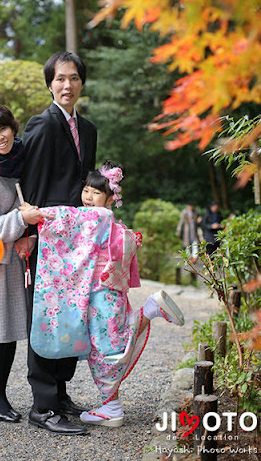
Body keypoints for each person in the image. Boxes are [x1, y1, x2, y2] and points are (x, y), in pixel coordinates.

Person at [30, 161, 185, 428]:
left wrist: (37, 213)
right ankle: (110, 404)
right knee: (110, 342)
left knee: (105, 348)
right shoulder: (107, 219)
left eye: (96, 193)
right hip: (110, 291)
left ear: (111, 198)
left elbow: (69, 216)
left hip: (102, 293)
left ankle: (112, 406)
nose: (89, 198)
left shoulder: (100, 216)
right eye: (87, 191)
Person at [19, 51, 97, 435]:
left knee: (72, 314)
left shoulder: (89, 129)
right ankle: (43, 406)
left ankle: (62, 392)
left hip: (78, 241)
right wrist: (28, 236)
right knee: (44, 315)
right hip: (47, 239)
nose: (67, 85)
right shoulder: (42, 125)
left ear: (81, 83)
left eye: (74, 79)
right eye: (60, 79)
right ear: (50, 83)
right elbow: (32, 186)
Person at [0, 104, 52, 424]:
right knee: (0, 330)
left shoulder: (24, 156)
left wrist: (29, 231)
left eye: (2, 129)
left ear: (13, 128)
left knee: (16, 328)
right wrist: (19, 219)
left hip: (26, 255)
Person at [175, 203, 199, 283]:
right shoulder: (184, 212)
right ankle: (189, 258)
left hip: (194, 231)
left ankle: (195, 257)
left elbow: (197, 222)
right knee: (187, 245)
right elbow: (181, 222)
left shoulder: (196, 212)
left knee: (195, 243)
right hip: (187, 231)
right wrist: (178, 230)